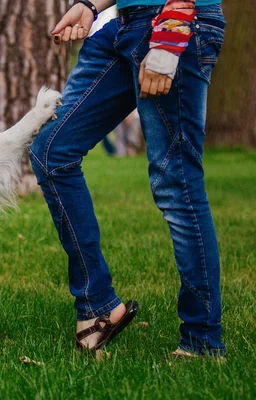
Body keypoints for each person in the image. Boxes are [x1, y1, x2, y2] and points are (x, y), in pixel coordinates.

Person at [30, 0, 225, 357]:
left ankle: (202, 340)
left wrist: (169, 38)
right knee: (51, 153)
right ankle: (98, 305)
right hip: (124, 24)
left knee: (176, 183)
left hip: (175, 20)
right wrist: (90, 6)